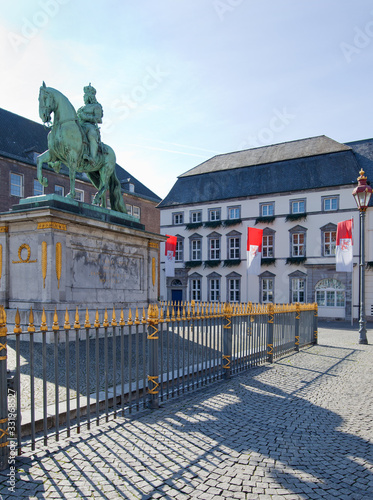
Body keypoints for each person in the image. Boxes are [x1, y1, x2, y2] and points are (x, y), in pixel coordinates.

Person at [77, 83, 103, 164]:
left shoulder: (97, 106)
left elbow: (99, 119)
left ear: (90, 96)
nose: (84, 98)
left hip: (90, 126)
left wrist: (85, 117)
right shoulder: (81, 108)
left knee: (92, 135)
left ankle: (92, 157)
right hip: (80, 125)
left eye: (86, 96)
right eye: (84, 96)